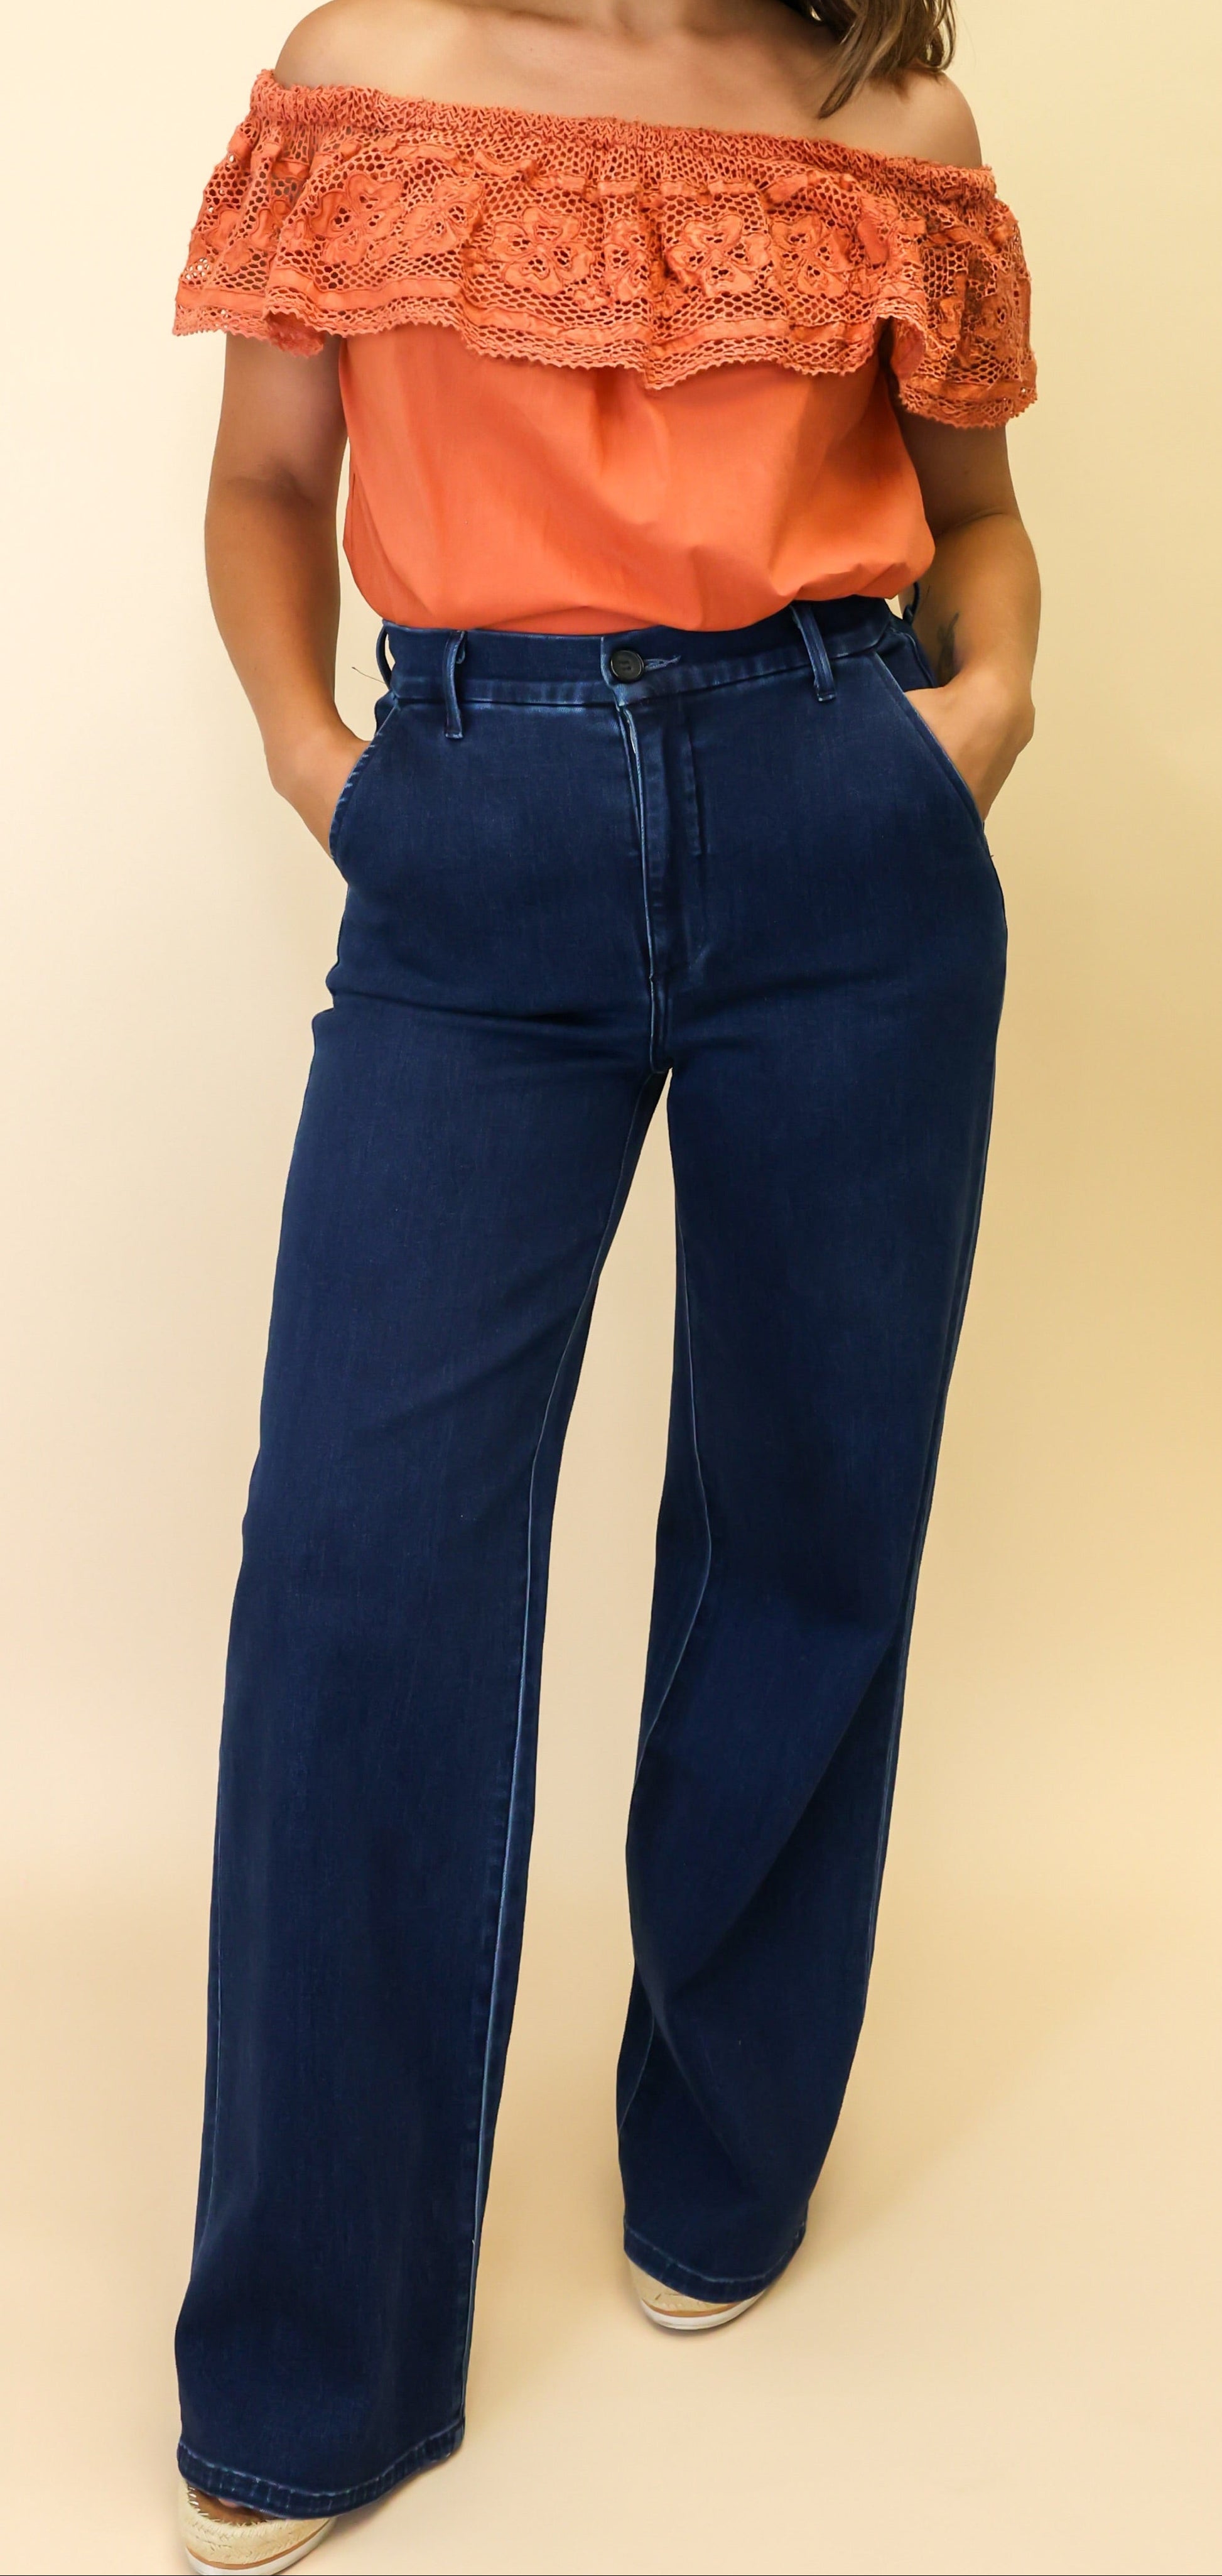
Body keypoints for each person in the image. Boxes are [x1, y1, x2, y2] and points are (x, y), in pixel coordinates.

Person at [171, 0, 1039, 2560]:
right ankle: (312, 2365)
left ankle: (723, 2164)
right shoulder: (370, 61)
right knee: (357, 1575)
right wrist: (327, 767)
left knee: (808, 1532)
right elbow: (259, 482)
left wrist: (971, 723)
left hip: (840, 825)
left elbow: (977, 510)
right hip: (477, 836)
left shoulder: (891, 116)